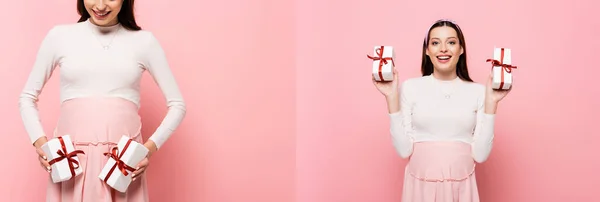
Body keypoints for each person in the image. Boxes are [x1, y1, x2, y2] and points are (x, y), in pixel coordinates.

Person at [18, 0, 186, 201]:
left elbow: (177, 105)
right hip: (71, 162)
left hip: (122, 165)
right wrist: (42, 145)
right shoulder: (59, 37)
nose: (100, 5)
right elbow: (27, 97)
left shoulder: (144, 42)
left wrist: (147, 150)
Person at [372, 19, 512, 201]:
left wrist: (492, 102)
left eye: (451, 42)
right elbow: (403, 150)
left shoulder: (479, 91)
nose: (443, 49)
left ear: (461, 49)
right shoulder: (410, 88)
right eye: (435, 43)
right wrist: (391, 97)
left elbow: (480, 154)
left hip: (461, 190)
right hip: (419, 190)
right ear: (427, 51)